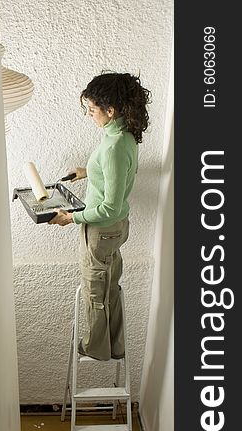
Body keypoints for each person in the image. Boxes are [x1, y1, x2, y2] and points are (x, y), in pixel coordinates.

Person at [49, 72, 151, 360]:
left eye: (92, 110)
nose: (89, 115)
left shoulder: (115, 146)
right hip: (113, 229)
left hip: (102, 229)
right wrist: (87, 172)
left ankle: (95, 348)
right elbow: (114, 175)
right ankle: (115, 346)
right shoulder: (121, 135)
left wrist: (72, 217)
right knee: (110, 286)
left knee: (96, 291)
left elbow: (110, 206)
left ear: (111, 110)